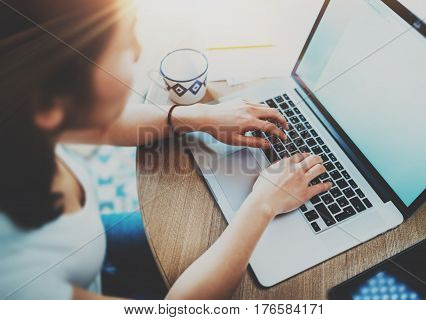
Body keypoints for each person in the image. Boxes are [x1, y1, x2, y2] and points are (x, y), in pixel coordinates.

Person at [0, 0, 331, 299]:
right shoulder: (23, 282)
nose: (137, 51)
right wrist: (263, 203)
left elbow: (98, 122)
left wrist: (198, 117)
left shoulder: (20, 115)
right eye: (122, 47)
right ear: (50, 103)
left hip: (89, 249)